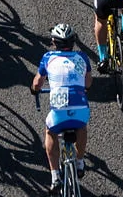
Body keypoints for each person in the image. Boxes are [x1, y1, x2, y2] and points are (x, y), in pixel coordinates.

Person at [32, 24, 92, 191]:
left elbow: (37, 83)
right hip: (80, 108)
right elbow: (88, 83)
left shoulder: (48, 58)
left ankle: (55, 176)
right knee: (81, 126)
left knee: (50, 131)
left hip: (59, 113)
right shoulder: (82, 58)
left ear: (54, 42)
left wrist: (34, 90)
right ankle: (79, 163)